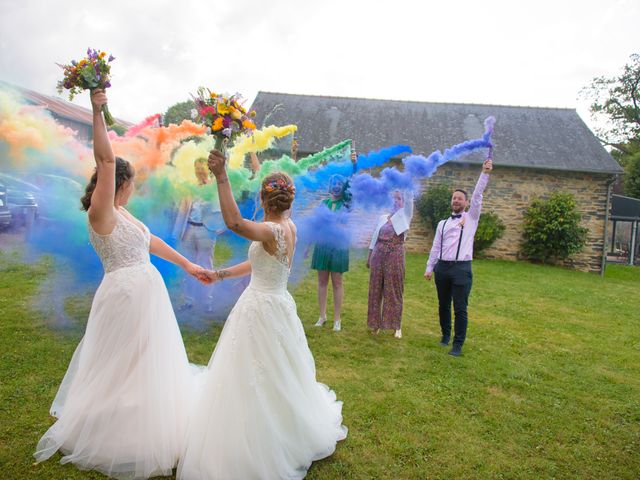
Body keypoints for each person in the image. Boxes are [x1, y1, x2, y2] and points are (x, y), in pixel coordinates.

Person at [34, 89, 207, 478]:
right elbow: (106, 157)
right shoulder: (102, 213)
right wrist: (98, 111)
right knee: (123, 363)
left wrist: (189, 264)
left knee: (146, 361)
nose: (132, 188)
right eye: (129, 183)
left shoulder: (123, 214)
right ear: (118, 184)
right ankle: (116, 429)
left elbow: (152, 242)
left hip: (147, 293)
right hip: (125, 296)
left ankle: (146, 415)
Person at [178, 150, 347, 480]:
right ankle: (285, 424)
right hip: (277, 304)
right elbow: (263, 262)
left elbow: (234, 223)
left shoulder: (271, 231)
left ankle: (262, 437)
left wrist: (222, 176)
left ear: (264, 199)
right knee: (278, 371)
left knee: (254, 372)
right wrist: (221, 274)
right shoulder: (287, 227)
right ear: (287, 201)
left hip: (260, 308)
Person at [424, 157, 493, 357]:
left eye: (459, 198)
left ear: (466, 203)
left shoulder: (471, 218)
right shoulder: (442, 224)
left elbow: (479, 194)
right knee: (443, 304)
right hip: (442, 268)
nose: (456, 200)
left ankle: (457, 345)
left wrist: (485, 173)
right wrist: (430, 268)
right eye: (454, 198)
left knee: (460, 308)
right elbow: (436, 246)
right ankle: (445, 336)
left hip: (461, 268)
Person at [311, 150, 357, 331]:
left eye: (340, 183)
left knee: (337, 282)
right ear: (330, 187)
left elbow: (353, 186)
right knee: (322, 281)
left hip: (338, 247)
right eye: (334, 184)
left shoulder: (346, 203)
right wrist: (307, 246)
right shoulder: (323, 204)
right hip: (322, 246)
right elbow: (315, 226)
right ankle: (322, 316)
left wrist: (354, 165)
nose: (337, 186)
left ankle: (337, 319)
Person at [173, 157, 225, 312]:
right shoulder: (190, 187)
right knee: (187, 265)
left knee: (205, 265)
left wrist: (217, 229)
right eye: (197, 168)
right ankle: (189, 300)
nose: (199, 171)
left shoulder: (214, 187)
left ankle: (206, 301)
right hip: (188, 229)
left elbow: (220, 208)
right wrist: (176, 232)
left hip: (206, 231)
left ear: (207, 169)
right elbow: (182, 210)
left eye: (201, 168)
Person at [367, 189, 414, 339]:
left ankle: (396, 326)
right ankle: (375, 324)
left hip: (395, 255)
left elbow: (409, 199)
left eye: (399, 199)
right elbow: (375, 237)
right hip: (378, 254)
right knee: (375, 289)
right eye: (394, 198)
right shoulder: (382, 218)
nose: (395, 201)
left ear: (403, 202)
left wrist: (408, 181)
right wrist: (369, 256)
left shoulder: (405, 215)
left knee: (393, 290)